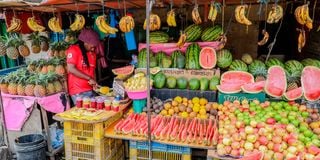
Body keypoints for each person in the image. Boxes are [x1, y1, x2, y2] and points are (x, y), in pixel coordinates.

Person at [66, 28, 100, 104]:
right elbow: (71, 69)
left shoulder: (92, 54)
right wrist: (89, 78)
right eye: (92, 45)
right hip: (78, 91)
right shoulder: (73, 50)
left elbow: (92, 70)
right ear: (85, 42)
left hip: (91, 90)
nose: (94, 48)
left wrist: (94, 82)